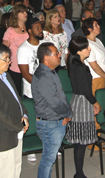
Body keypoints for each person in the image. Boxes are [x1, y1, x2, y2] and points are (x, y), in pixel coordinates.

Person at [0, 44, 29, 178]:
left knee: (15, 169)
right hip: (3, 136)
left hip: (15, 131)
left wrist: (24, 115)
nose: (10, 62)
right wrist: (19, 126)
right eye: (6, 59)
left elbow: (17, 99)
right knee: (5, 173)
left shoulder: (5, 75)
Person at [32, 43, 73, 178]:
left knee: (49, 158)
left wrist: (67, 113)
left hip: (55, 121)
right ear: (46, 58)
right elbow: (55, 103)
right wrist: (68, 113)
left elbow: (61, 96)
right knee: (48, 160)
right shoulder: (43, 76)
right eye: (56, 53)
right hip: (50, 123)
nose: (59, 55)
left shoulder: (50, 72)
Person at [64, 36, 101, 178]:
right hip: (83, 102)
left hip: (79, 101)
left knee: (80, 141)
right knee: (81, 141)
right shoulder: (80, 67)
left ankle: (79, 172)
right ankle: (79, 173)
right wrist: (95, 103)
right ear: (78, 51)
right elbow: (86, 90)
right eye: (86, 47)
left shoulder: (75, 64)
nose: (89, 49)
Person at [82, 17, 105, 151]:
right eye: (96, 25)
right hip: (95, 78)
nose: (99, 27)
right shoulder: (87, 43)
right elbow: (94, 65)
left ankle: (99, 136)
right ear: (89, 29)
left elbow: (104, 60)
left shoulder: (98, 41)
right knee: (94, 109)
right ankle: (92, 140)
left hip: (102, 78)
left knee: (99, 108)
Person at [3, 4, 30, 93]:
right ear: (16, 14)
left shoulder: (29, 29)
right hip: (15, 66)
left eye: (25, 11)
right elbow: (4, 50)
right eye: (22, 12)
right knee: (17, 91)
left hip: (29, 64)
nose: (25, 13)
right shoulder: (10, 31)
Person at [18, 17, 45, 101]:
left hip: (46, 89)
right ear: (29, 31)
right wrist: (41, 86)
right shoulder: (23, 49)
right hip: (32, 92)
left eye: (41, 27)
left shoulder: (45, 45)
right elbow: (25, 74)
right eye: (37, 28)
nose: (41, 30)